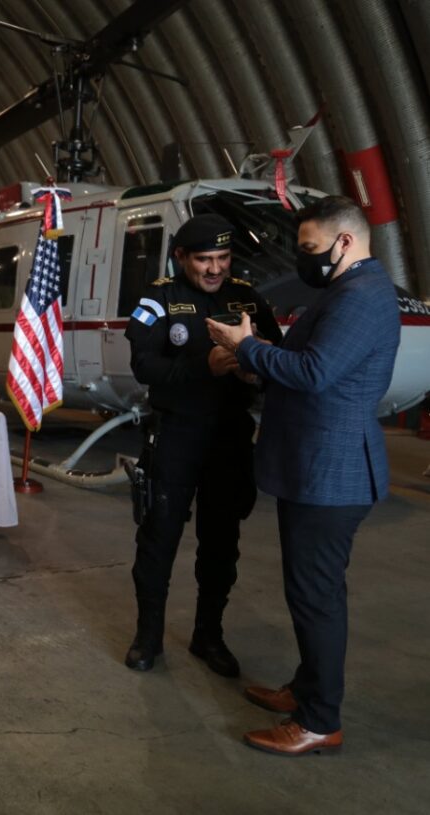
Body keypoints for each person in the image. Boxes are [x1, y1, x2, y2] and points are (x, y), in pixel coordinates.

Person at [207, 196, 400, 756]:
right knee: (311, 592)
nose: (303, 259)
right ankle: (306, 689)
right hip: (314, 468)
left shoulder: (361, 297)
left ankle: (319, 721)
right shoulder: (345, 290)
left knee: (317, 598)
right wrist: (257, 356)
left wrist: (246, 347)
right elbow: (311, 365)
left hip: (332, 472)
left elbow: (315, 373)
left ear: (346, 241)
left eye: (310, 248)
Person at [123, 214, 282, 677]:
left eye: (223, 258)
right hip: (177, 434)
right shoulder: (158, 299)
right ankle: (148, 636)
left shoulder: (247, 298)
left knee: (221, 542)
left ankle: (208, 635)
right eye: (204, 260)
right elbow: (144, 365)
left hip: (229, 437)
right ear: (180, 257)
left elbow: (276, 354)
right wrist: (202, 367)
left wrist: (256, 372)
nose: (215, 269)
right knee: (159, 538)